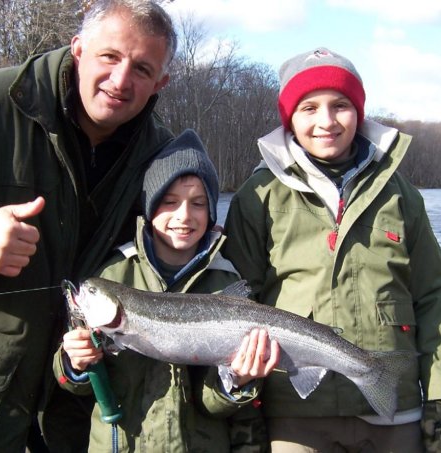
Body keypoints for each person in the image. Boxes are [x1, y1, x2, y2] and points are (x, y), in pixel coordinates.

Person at [0, 1, 178, 451]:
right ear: (78, 49)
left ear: (161, 82)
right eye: (110, 57)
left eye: (141, 68)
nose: (121, 81)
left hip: (68, 404)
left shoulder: (158, 155)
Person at [222, 47, 441, 453]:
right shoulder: (256, 196)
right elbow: (232, 309)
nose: (326, 121)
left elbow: (433, 296)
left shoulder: (401, 195)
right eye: (309, 108)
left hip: (394, 408)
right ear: (290, 118)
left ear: (360, 111)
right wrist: (245, 412)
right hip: (293, 413)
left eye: (341, 105)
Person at [55, 129, 280, 452]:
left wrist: (239, 381)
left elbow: (214, 405)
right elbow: (71, 385)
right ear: (148, 208)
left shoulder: (223, 283)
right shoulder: (114, 273)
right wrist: (73, 362)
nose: (184, 216)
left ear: (211, 212)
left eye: (198, 204)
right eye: (169, 202)